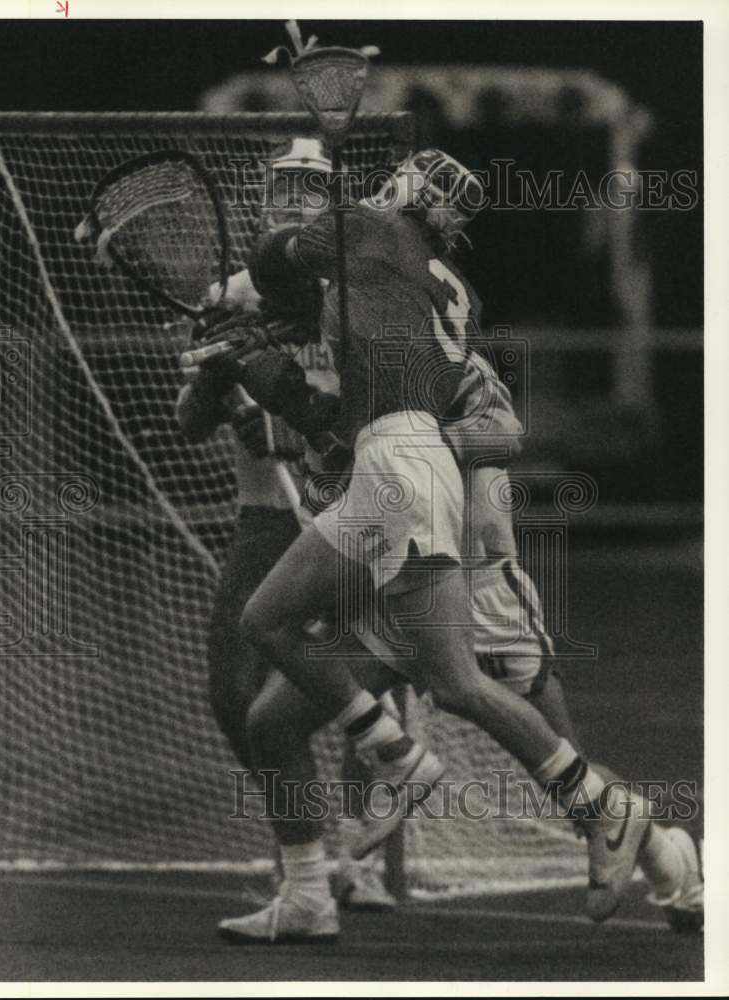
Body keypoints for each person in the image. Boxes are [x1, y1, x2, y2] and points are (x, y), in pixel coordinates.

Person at [207, 149, 668, 942]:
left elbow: (275, 261)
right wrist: (268, 358)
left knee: (458, 685)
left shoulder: (365, 230)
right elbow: (347, 397)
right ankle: (325, 869)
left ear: (398, 192)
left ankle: (616, 818)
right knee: (271, 649)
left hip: (420, 491)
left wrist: (241, 305)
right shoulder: (434, 286)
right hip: (393, 473)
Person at [177, 137, 396, 910]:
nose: (296, 199)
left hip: (356, 516)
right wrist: (216, 380)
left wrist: (287, 411)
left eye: (312, 186)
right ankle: (301, 843)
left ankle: (359, 859)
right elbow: (189, 424)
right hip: (269, 519)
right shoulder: (229, 295)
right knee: (231, 692)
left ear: (334, 205)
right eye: (284, 186)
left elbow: (379, 412)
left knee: (363, 682)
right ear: (262, 198)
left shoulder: (363, 293)